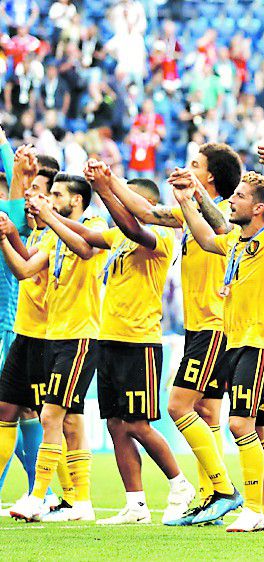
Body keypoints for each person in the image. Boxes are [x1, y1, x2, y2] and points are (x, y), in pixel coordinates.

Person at [103, 142, 244, 526]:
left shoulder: (230, 212)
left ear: (210, 177)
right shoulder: (187, 214)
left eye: (195, 164)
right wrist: (111, 179)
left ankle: (223, 490)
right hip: (197, 327)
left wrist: (193, 195)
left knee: (178, 407)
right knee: (206, 411)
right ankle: (212, 499)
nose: (187, 167)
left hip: (215, 326)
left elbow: (222, 229)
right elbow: (145, 212)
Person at [48, 162, 194, 526]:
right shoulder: (117, 238)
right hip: (109, 338)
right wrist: (49, 215)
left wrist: (104, 188)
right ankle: (136, 504)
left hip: (139, 341)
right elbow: (84, 236)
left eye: (128, 197)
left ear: (145, 204)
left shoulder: (161, 237)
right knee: (115, 424)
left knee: (139, 424)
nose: (121, 203)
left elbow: (131, 225)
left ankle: (180, 485)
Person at [170, 153, 264, 532]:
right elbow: (206, 237)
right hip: (235, 342)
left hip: (258, 342)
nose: (232, 201)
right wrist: (184, 201)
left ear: (258, 208)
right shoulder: (235, 243)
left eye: (240, 196)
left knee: (240, 423)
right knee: (257, 429)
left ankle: (254, 508)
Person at [0, 172, 106, 522]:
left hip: (80, 335)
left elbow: (85, 249)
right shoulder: (49, 235)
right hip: (55, 336)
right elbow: (25, 270)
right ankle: (82, 503)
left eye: (57, 194)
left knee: (50, 415)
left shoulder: (93, 222)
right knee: (70, 420)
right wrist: (5, 239)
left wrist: (49, 219)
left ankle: (37, 495)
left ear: (75, 200)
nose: (50, 198)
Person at [0, 153, 59, 516]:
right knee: (18, 411)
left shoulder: (15, 218)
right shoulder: (24, 223)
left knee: (20, 412)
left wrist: (8, 148)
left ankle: (45, 492)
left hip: (11, 327)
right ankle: (44, 492)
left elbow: (22, 265)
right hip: (17, 328)